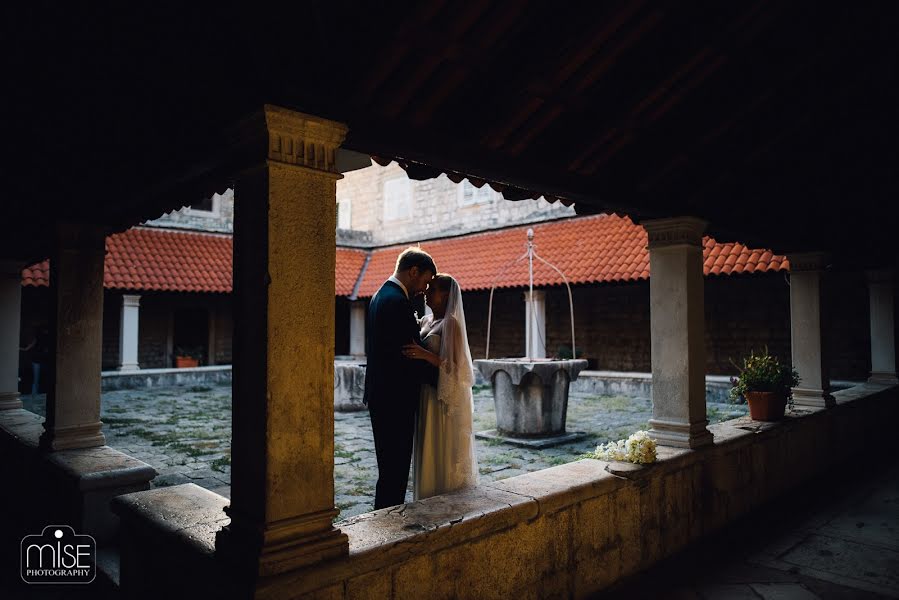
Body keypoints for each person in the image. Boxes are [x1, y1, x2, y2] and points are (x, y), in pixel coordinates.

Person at [363, 247, 439, 509]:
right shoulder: (397, 302)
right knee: (395, 472)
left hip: (381, 395)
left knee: (388, 470)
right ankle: (387, 523)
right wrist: (444, 374)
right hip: (395, 400)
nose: (424, 289)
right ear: (413, 271)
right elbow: (410, 355)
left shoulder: (379, 295)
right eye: (425, 281)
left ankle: (383, 516)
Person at [402, 273, 479, 500]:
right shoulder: (426, 321)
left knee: (441, 445)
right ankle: (426, 492)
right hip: (426, 393)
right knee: (427, 442)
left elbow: (458, 368)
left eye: (432, 288)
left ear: (446, 295)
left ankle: (444, 493)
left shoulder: (451, 324)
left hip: (442, 396)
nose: (426, 291)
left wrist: (426, 355)